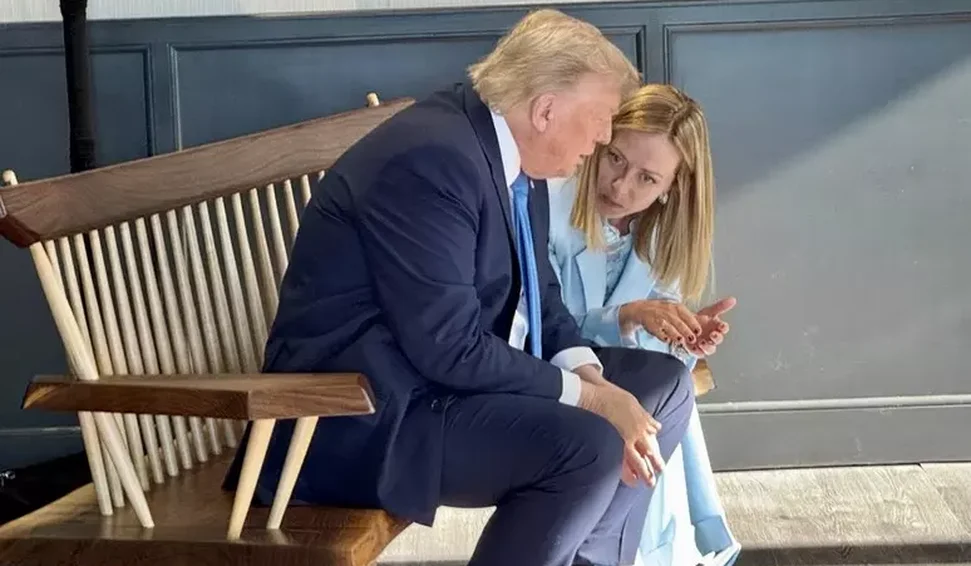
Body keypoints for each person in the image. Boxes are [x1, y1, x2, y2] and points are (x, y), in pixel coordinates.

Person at [224, 10, 696, 566]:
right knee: (585, 447)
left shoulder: (512, 154)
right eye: (599, 120)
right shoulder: (432, 159)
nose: (602, 137)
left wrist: (591, 377)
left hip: (438, 381)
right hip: (366, 412)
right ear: (546, 110)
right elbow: (448, 346)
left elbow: (541, 294)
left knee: (664, 383)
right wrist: (593, 398)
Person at [546, 83, 741, 566]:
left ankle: (615, 553)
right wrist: (626, 317)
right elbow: (541, 330)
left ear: (671, 188)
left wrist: (683, 336)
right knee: (658, 401)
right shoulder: (550, 206)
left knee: (664, 390)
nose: (620, 186)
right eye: (615, 158)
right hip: (554, 377)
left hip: (630, 384)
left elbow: (655, 335)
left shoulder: (662, 233)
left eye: (647, 178)